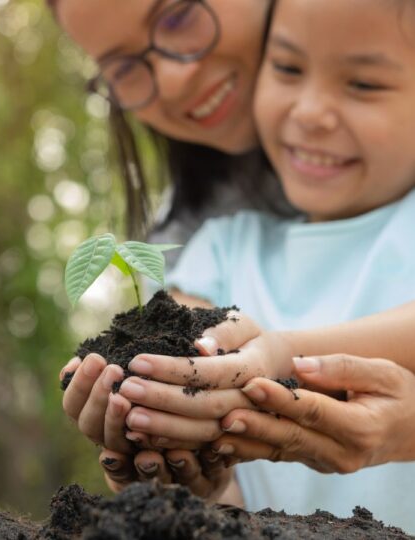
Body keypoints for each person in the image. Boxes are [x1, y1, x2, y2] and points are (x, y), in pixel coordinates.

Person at [52, 0, 415, 511]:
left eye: (178, 16)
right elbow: (196, 335)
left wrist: (284, 354)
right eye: (288, 68)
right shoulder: (216, 245)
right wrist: (182, 451)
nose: (309, 112)